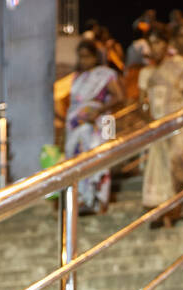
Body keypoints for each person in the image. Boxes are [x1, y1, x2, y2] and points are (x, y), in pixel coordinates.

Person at [139, 25, 183, 227]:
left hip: (179, 120)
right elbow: (142, 103)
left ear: (167, 43)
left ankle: (181, 203)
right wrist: (150, 120)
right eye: (151, 43)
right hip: (158, 125)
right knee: (160, 166)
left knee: (177, 158)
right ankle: (166, 210)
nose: (155, 47)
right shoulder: (147, 72)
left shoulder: (179, 64)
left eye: (159, 42)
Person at [65, 39, 122, 216]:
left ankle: (100, 202)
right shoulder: (77, 77)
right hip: (76, 124)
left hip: (100, 123)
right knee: (78, 160)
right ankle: (81, 200)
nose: (84, 61)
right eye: (81, 57)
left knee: (100, 159)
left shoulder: (105, 74)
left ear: (94, 57)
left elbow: (119, 97)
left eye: (87, 57)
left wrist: (98, 111)